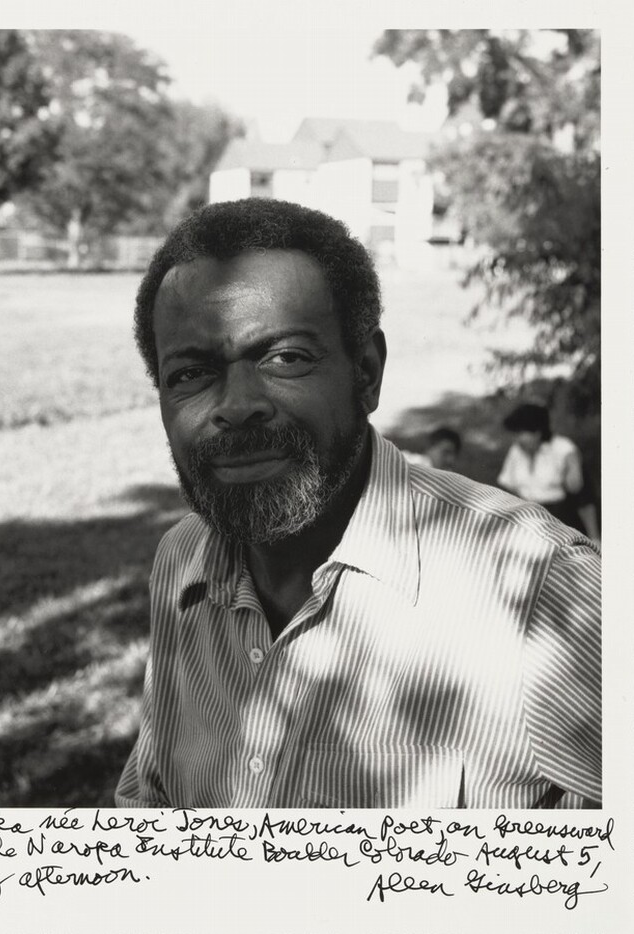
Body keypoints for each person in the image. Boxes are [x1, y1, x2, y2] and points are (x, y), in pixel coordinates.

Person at [116, 198, 600, 810]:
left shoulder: (544, 591)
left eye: (286, 357)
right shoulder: (180, 563)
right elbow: (151, 799)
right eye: (190, 373)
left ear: (366, 373)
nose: (236, 407)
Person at [498, 402, 600, 543]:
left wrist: (594, 538)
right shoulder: (516, 450)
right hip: (527, 518)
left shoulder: (563, 448)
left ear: (537, 432)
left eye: (520, 433)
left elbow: (579, 491)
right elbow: (507, 485)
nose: (516, 439)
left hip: (558, 520)